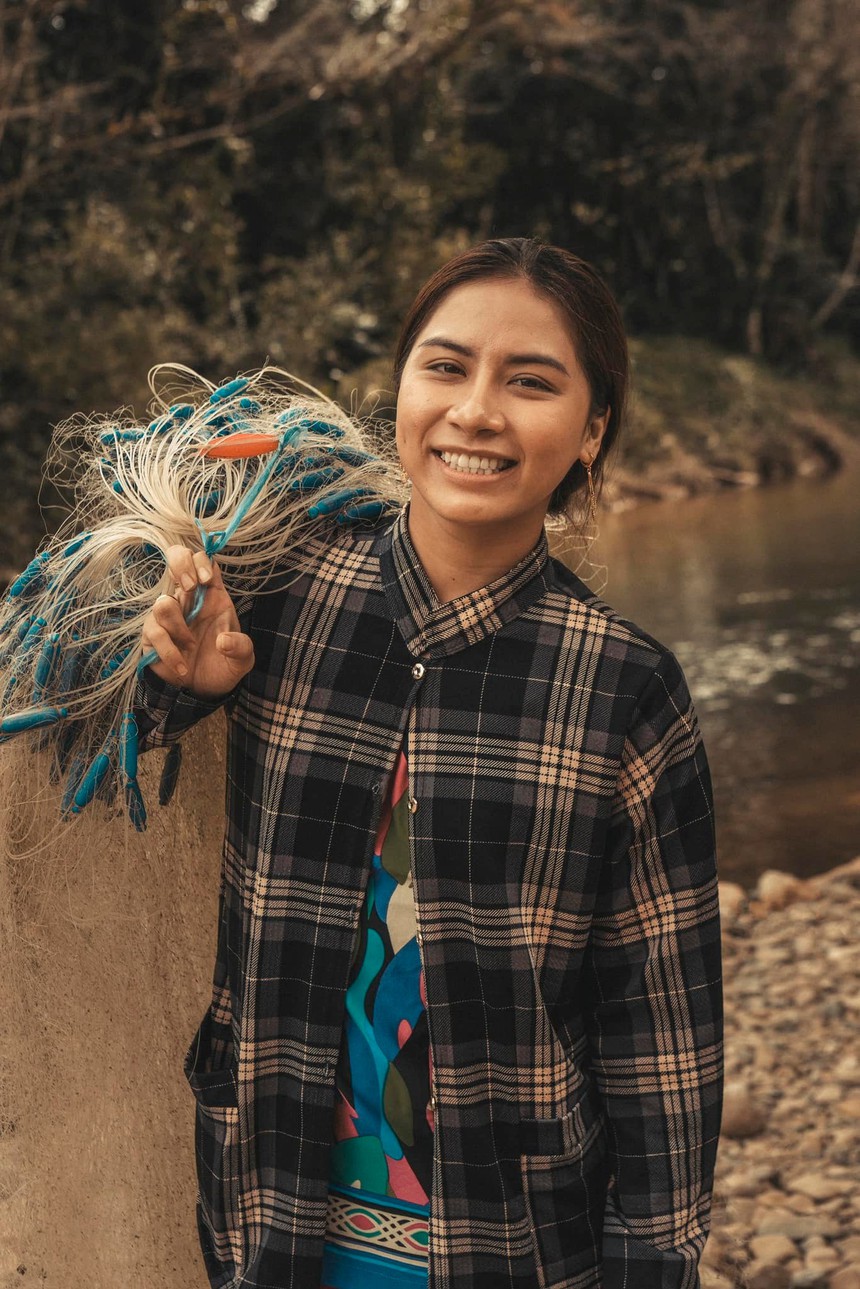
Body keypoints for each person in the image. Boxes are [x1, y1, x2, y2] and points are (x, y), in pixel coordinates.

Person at [137, 237, 723, 1289]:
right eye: (445, 366)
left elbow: (660, 1035)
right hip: (273, 1214)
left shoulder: (624, 686)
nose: (475, 411)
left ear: (592, 429)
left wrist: (650, 1263)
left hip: (516, 1240)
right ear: (401, 388)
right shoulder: (278, 592)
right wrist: (181, 685)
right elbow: (107, 716)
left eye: (530, 382)